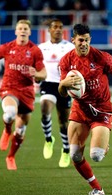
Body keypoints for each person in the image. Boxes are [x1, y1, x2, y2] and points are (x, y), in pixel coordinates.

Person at [58, 24, 112, 195]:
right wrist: (63, 85)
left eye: (87, 40)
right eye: (81, 40)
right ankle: (97, 190)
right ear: (73, 40)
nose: (84, 43)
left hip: (101, 110)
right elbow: (61, 91)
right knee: (75, 155)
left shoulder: (100, 57)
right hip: (80, 110)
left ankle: (103, 144)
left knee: (96, 156)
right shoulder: (66, 61)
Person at [0, 19, 47, 171]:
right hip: (9, 88)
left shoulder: (35, 50)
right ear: (16, 31)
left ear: (30, 32)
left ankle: (11, 157)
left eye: (26, 28)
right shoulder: (7, 47)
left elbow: (43, 74)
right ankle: (6, 130)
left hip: (26, 92)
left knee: (21, 130)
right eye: (20, 28)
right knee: (10, 113)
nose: (23, 30)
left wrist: (36, 74)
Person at [38, 19, 75, 168]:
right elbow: (37, 66)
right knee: (45, 109)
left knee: (63, 122)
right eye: (55, 27)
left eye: (61, 27)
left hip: (64, 85)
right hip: (47, 83)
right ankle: (48, 139)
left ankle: (66, 150)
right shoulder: (41, 48)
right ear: (49, 30)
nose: (58, 29)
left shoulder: (70, 47)